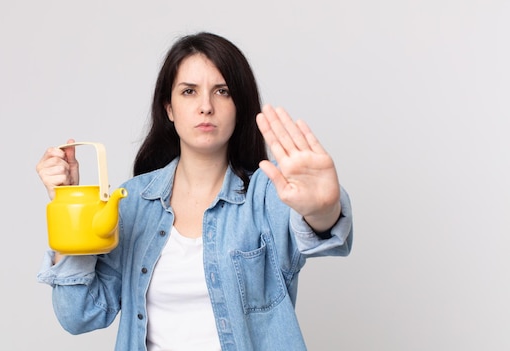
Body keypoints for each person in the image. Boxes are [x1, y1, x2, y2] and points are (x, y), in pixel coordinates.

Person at [36, 32, 353, 351]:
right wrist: (67, 209)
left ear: (239, 107)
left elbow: (323, 228)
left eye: (222, 91)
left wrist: (324, 209)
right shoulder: (132, 202)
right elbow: (78, 316)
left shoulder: (267, 193)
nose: (206, 107)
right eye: (189, 91)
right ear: (169, 108)